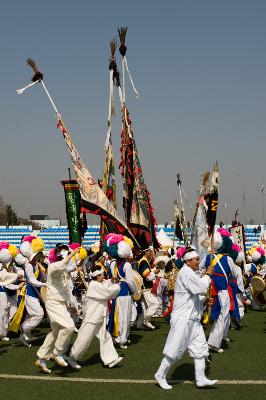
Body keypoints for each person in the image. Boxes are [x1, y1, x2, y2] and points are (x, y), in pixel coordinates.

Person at [154, 248, 218, 389]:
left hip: (193, 319)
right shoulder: (186, 272)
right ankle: (160, 374)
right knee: (175, 348)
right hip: (183, 319)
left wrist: (204, 302)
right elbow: (200, 287)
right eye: (196, 260)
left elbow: (194, 295)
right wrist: (208, 275)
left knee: (200, 347)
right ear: (188, 261)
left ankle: (201, 378)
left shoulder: (190, 273)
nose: (198, 262)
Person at [35, 245, 80, 373]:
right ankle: (57, 353)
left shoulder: (63, 270)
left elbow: (65, 290)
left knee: (55, 332)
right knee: (69, 326)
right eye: (64, 253)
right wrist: (71, 254)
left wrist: (70, 305)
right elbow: (62, 264)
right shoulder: (52, 267)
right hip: (53, 303)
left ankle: (41, 358)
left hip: (61, 303)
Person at [68, 264, 122, 369]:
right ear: (97, 276)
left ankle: (110, 359)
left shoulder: (97, 283)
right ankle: (72, 359)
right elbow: (108, 293)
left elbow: (105, 284)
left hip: (99, 317)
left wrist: (112, 280)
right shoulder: (94, 286)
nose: (104, 275)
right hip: (92, 318)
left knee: (105, 336)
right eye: (102, 274)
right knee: (84, 340)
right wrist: (117, 285)